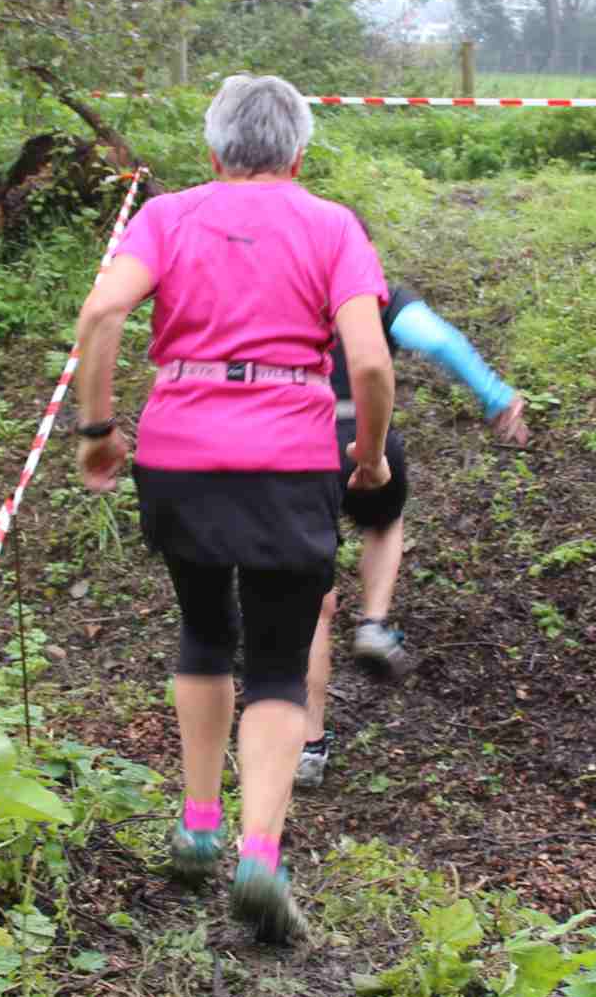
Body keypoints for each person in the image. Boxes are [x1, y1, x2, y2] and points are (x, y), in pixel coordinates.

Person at [71, 74, 393, 945]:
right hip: (290, 463)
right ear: (299, 155)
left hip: (179, 456)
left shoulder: (167, 216)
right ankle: (258, 856)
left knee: (204, 632)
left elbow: (103, 310)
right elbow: (369, 364)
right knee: (280, 663)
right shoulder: (332, 225)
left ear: (214, 153)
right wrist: (367, 456)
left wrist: (98, 432)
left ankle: (197, 826)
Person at [296, 243, 529, 788]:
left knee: (310, 605)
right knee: (383, 522)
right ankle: (374, 623)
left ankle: (309, 746)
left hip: (295, 445)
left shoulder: (286, 294)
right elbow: (438, 340)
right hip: (364, 437)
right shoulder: (377, 296)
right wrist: (495, 396)